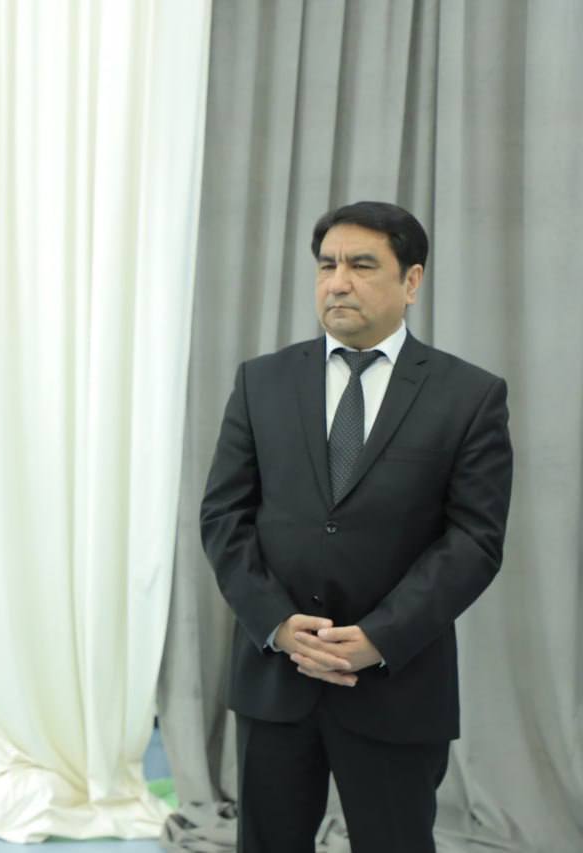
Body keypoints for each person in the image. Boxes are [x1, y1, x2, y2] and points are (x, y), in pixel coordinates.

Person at [200, 201, 513, 853]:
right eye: (327, 265)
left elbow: (474, 541)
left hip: (397, 683)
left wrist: (379, 637)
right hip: (276, 678)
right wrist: (277, 624)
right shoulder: (262, 382)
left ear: (412, 281)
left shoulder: (468, 395)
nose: (338, 282)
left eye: (362, 265)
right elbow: (224, 517)